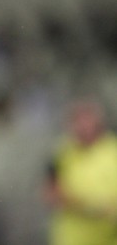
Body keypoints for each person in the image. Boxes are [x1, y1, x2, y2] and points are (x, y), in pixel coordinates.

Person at [45, 97, 117, 245]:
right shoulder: (62, 152)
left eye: (87, 120)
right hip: (73, 238)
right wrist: (88, 207)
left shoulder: (112, 149)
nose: (83, 126)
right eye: (78, 121)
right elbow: (50, 191)